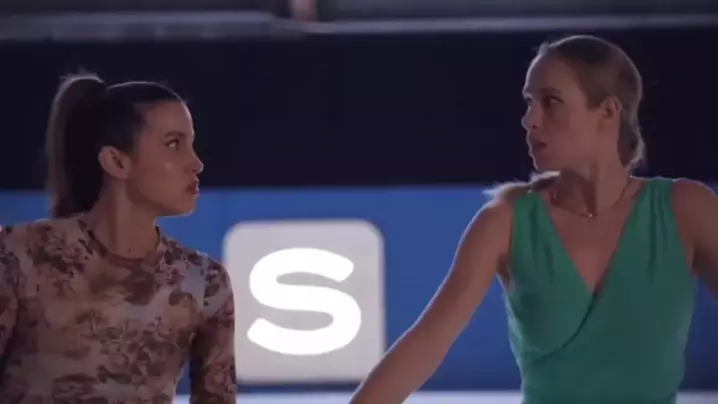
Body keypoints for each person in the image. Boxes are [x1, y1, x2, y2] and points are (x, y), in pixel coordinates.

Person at [351, 34, 718, 404]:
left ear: (608, 113)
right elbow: (426, 345)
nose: (530, 120)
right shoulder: (506, 222)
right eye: (529, 102)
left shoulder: (686, 209)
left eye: (551, 101)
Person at [0, 73, 237, 403]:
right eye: (174, 144)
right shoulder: (20, 256)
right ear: (116, 161)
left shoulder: (204, 282)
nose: (196, 163)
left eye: (191, 144)